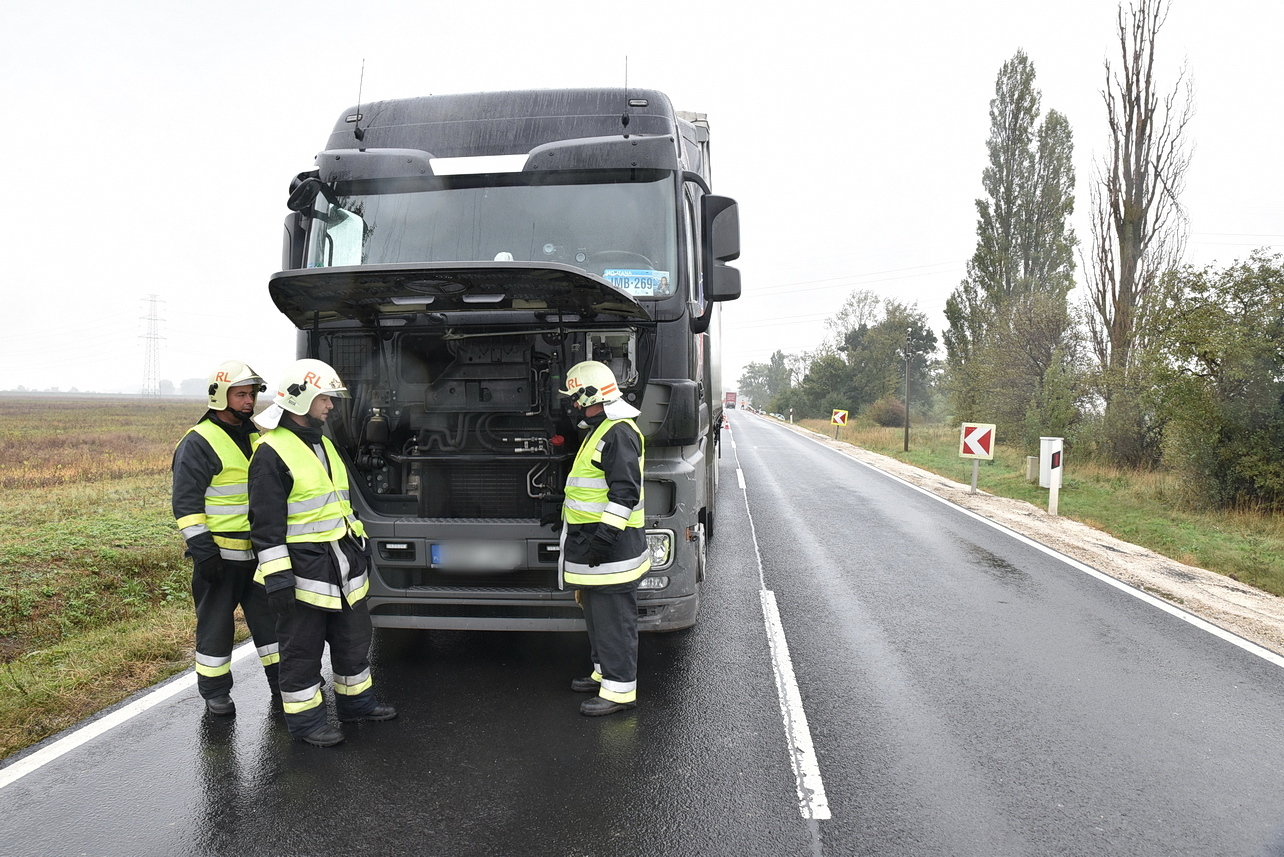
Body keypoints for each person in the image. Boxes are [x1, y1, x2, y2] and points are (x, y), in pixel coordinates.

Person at [248, 358, 396, 747]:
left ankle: (356, 704)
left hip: (342, 565)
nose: (331, 406)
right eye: (324, 398)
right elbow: (266, 524)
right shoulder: (270, 452)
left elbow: (339, 506)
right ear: (300, 400)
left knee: (353, 641)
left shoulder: (324, 444)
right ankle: (306, 723)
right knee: (302, 651)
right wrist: (278, 577)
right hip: (302, 573)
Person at [172, 360, 279, 716]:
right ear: (220, 396)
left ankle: (284, 684)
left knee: (273, 624)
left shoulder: (255, 435)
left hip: (260, 554)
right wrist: (204, 554)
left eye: (251, 394)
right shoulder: (197, 442)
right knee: (216, 628)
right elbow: (186, 506)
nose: (249, 401)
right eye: (241, 394)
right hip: (220, 558)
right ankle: (215, 692)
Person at [551, 360, 650, 716]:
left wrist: (605, 537)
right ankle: (603, 672)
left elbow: (625, 494)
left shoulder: (619, 432)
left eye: (577, 397)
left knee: (613, 620)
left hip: (612, 551)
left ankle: (619, 692)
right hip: (596, 547)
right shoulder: (603, 428)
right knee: (596, 615)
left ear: (592, 394)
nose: (574, 404)